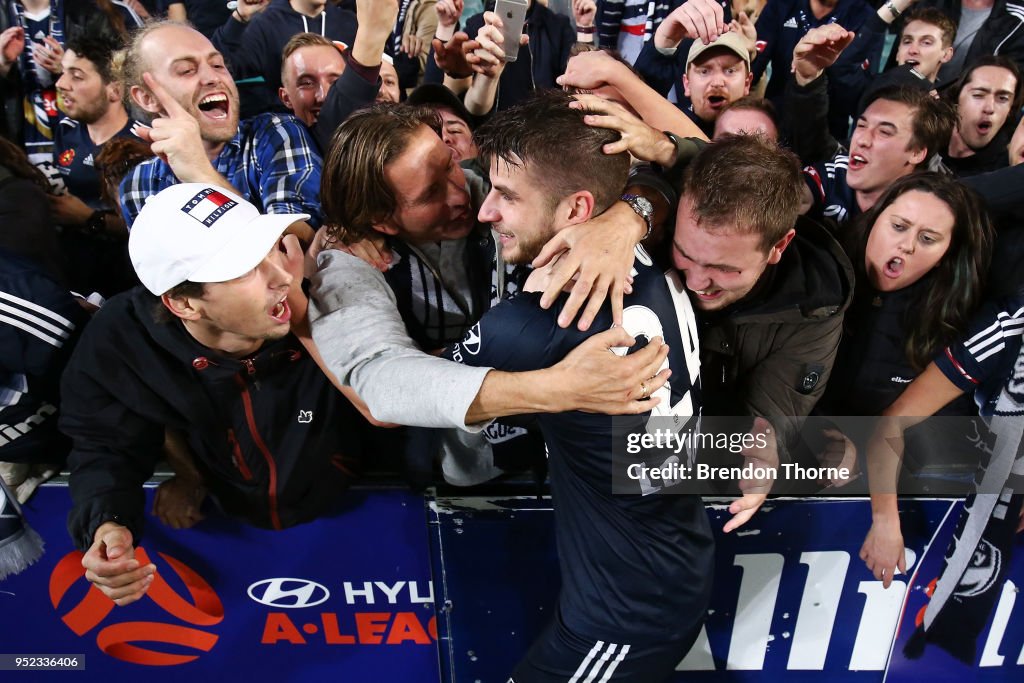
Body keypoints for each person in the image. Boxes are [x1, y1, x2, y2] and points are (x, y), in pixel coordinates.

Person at [447, 90, 750, 681]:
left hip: (623, 619)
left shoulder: (530, 326)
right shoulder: (654, 251)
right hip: (669, 566)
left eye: (506, 196)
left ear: (576, 209)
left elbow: (413, 430)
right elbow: (679, 176)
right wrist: (634, 209)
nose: (487, 212)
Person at [670, 134, 854, 472]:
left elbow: (768, 424)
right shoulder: (647, 222)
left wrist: (760, 457)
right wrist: (634, 208)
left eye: (723, 268)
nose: (694, 282)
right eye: (683, 253)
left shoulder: (814, 309)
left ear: (778, 246)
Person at [815, 173, 994, 485]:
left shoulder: (951, 319)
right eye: (898, 226)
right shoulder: (815, 273)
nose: (907, 245)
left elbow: (945, 426)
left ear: (944, 256)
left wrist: (861, 453)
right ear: (875, 219)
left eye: (928, 239)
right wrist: (819, 434)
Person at [118, 21, 321, 244]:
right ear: (147, 98)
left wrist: (201, 174)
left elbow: (302, 248)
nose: (213, 78)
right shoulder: (139, 185)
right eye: (187, 70)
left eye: (217, 65)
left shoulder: (276, 134)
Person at [51, 29, 139, 297]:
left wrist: (89, 219)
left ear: (114, 90)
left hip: (125, 282)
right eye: (63, 72)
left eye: (77, 76)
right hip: (73, 274)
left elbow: (149, 228)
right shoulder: (65, 130)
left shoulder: (142, 146)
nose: (61, 83)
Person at [943, 55, 1023, 176]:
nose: (989, 108)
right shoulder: (926, 139)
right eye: (978, 95)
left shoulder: (1003, 174)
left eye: (1002, 98)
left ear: (1010, 110)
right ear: (956, 98)